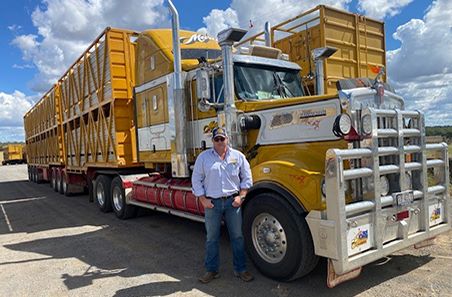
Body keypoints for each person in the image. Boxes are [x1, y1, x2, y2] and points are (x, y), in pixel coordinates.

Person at [191, 127, 254, 283]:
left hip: (233, 203)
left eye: (222, 139)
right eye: (217, 139)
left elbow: (247, 178)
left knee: (237, 237)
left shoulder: (238, 156)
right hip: (213, 203)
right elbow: (196, 179)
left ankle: (241, 269)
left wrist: (241, 197)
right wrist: (203, 200)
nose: (220, 142)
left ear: (227, 139)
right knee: (212, 238)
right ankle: (211, 270)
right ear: (212, 141)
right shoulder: (203, 157)